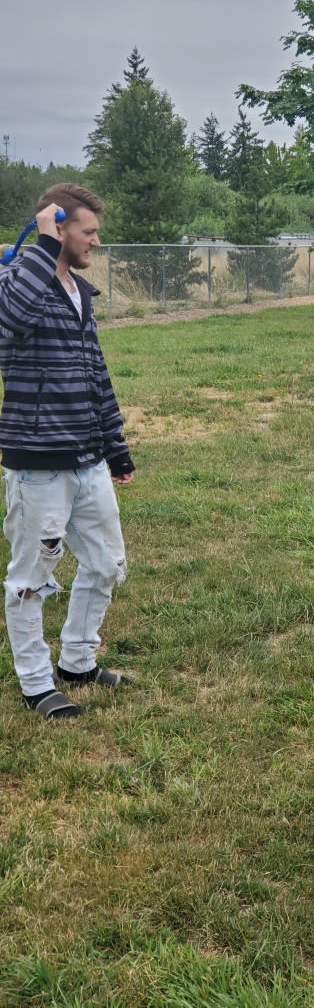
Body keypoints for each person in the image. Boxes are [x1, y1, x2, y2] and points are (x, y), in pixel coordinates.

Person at [0, 184, 135, 719]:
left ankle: (78, 660)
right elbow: (7, 324)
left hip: (87, 457)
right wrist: (37, 250)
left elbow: (95, 375)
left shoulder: (80, 294)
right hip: (38, 465)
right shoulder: (15, 280)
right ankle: (36, 683)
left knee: (107, 563)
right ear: (58, 227)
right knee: (31, 580)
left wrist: (115, 448)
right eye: (88, 231)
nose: (95, 242)